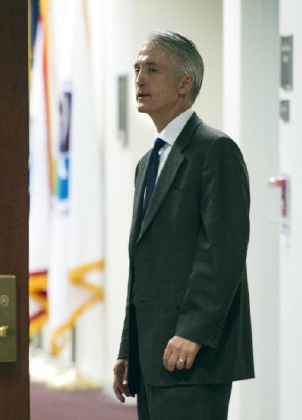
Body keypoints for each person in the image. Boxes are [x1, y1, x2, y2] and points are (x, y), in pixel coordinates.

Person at [112, 30, 254, 419]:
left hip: (193, 355)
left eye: (152, 69)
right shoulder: (147, 163)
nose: (140, 79)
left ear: (184, 83)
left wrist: (193, 331)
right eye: (137, 69)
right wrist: (128, 346)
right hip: (151, 356)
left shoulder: (215, 150)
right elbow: (142, 264)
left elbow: (222, 251)